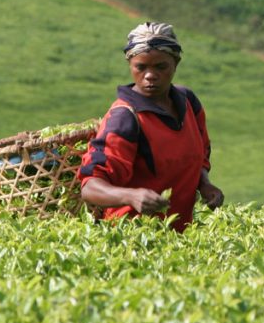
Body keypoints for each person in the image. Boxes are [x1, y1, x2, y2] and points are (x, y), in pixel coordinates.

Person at [79, 22, 224, 231]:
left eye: (160, 67)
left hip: (178, 236)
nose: (150, 75)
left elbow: (200, 155)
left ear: (176, 63)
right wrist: (131, 196)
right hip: (130, 239)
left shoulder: (188, 103)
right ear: (130, 65)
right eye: (141, 67)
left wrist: (205, 185)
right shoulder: (125, 118)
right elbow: (91, 187)